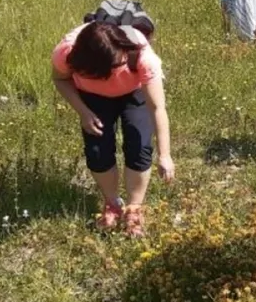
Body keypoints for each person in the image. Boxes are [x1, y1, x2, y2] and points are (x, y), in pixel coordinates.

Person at [51, 20, 175, 238]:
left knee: (139, 145)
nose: (114, 71)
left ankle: (134, 209)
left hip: (134, 93)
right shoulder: (67, 53)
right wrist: (83, 111)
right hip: (93, 97)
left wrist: (165, 155)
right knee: (97, 151)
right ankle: (112, 204)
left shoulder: (142, 57)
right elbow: (60, 79)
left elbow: (157, 108)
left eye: (117, 65)